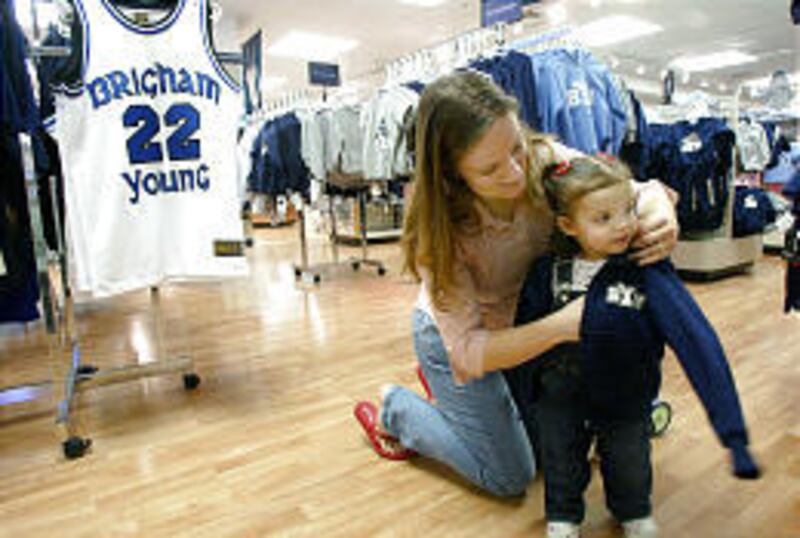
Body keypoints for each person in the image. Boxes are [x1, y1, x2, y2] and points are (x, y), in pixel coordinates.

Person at [352, 70, 679, 497]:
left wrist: (658, 207)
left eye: (516, 149)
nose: (514, 173)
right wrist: (565, 325)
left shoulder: (546, 159)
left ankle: (466, 402)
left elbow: (628, 191)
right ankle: (399, 409)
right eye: (489, 169)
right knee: (511, 477)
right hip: (461, 340)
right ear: (452, 175)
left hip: (527, 320)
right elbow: (468, 351)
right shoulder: (441, 232)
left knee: (555, 446)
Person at [511, 155, 760, 538]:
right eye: (603, 218)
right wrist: (529, 395)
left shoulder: (648, 269)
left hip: (626, 395)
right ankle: (563, 514)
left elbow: (696, 340)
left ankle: (633, 510)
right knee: (560, 458)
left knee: (629, 459)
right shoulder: (546, 272)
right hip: (559, 394)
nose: (624, 225)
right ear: (567, 224)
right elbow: (524, 334)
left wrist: (733, 434)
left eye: (628, 209)